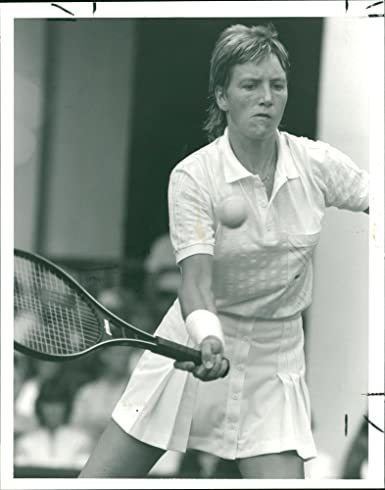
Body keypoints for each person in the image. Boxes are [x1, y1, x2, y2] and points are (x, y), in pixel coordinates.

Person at [79, 23, 369, 479]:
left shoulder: (317, 165)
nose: (267, 97)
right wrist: (209, 337)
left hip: (276, 359)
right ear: (222, 97)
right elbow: (195, 280)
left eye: (277, 85)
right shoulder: (193, 176)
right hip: (194, 341)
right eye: (250, 85)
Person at [15, 377, 93, 470]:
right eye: (48, 404)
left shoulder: (82, 441)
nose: (53, 410)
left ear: (67, 407)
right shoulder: (25, 442)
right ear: (40, 407)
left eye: (58, 404)